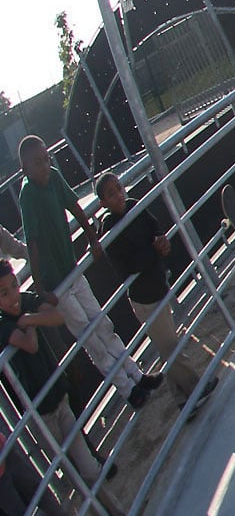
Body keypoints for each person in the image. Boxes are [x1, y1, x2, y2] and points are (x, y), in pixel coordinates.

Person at [15, 138, 157, 409]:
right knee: (90, 337)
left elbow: (74, 206)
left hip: (72, 270)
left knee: (101, 323)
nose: (45, 166)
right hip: (56, 283)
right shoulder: (27, 196)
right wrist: (40, 285)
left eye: (47, 159)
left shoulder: (54, 178)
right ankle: (127, 389)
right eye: (38, 162)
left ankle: (137, 374)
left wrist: (92, 238)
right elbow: (32, 241)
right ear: (25, 168)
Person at [0, 258, 121, 510]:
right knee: (73, 478)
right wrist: (31, 320)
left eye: (13, 286)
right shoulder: (2, 323)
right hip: (39, 415)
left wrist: (29, 318)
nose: (12, 295)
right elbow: (30, 345)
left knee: (89, 470)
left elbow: (57, 316)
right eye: (4, 292)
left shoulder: (25, 301)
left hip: (58, 397)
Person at [96, 173, 209, 404]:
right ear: (103, 203)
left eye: (119, 188)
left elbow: (155, 228)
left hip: (157, 286)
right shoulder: (109, 230)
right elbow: (126, 267)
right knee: (170, 346)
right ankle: (196, 387)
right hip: (144, 297)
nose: (118, 195)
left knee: (166, 344)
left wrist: (162, 242)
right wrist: (154, 250)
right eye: (111, 193)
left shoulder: (134, 206)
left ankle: (181, 399)